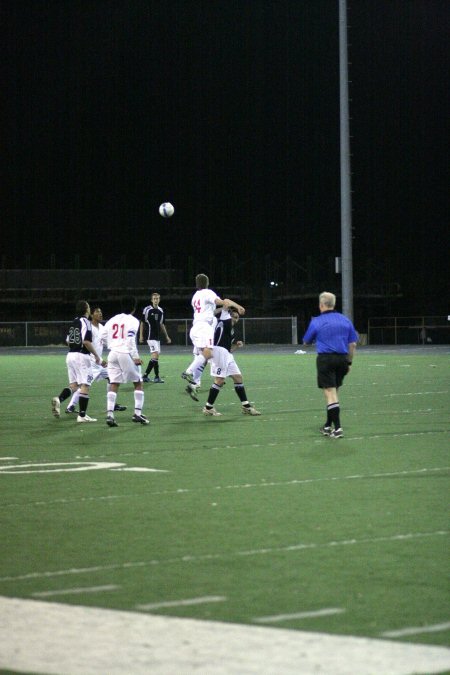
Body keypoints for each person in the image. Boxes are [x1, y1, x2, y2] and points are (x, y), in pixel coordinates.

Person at [302, 291, 358, 438]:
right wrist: (349, 362)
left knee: (329, 394)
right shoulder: (345, 320)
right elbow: (352, 344)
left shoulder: (317, 321)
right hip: (342, 360)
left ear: (321, 305)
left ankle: (338, 428)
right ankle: (328, 425)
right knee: (334, 394)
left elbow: (306, 342)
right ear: (333, 304)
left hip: (325, 360)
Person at [181, 273, 245, 391]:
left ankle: (195, 384)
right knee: (209, 354)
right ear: (207, 283)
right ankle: (188, 372)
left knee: (206, 356)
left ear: (197, 284)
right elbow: (224, 302)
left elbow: (209, 309)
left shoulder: (195, 296)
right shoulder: (208, 292)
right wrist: (239, 306)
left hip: (195, 327)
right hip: (204, 327)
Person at [65, 307, 127, 414]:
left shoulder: (102, 328)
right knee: (84, 386)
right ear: (92, 315)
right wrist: (99, 358)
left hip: (99, 362)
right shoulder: (88, 326)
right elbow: (82, 343)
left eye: (101, 312)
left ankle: (111, 404)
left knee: (112, 377)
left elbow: (107, 342)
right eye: (97, 312)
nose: (100, 314)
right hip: (90, 362)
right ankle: (70, 406)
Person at [201, 308, 261, 416]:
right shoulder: (222, 322)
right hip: (218, 351)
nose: (235, 319)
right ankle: (208, 407)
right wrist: (235, 306)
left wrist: (236, 346)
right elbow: (219, 308)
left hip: (227, 355)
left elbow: (229, 350)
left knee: (238, 377)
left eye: (237, 317)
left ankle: (246, 406)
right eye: (233, 316)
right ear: (228, 316)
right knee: (219, 380)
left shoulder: (232, 330)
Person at [51, 300, 101, 423]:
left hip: (70, 355)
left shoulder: (74, 322)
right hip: (81, 356)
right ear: (86, 310)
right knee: (85, 385)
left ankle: (59, 399)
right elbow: (86, 342)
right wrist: (96, 356)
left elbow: (68, 340)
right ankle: (82, 415)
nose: (89, 309)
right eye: (88, 307)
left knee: (74, 386)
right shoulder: (86, 322)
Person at [103, 296, 149, 427]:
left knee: (114, 383)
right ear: (134, 308)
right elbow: (129, 340)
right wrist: (135, 357)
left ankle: (110, 415)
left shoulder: (113, 319)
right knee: (138, 382)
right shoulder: (133, 320)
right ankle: (137, 414)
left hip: (112, 353)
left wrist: (112, 344)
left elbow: (103, 336)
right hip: (125, 353)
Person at [139, 292, 171, 383]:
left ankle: (147, 376)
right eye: (154, 299)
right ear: (151, 300)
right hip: (150, 336)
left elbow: (161, 324)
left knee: (155, 357)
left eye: (157, 298)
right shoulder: (147, 309)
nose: (156, 300)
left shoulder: (161, 310)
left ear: (159, 299)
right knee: (155, 355)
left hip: (157, 337)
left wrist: (167, 336)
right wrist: (141, 335)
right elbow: (142, 322)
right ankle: (155, 377)